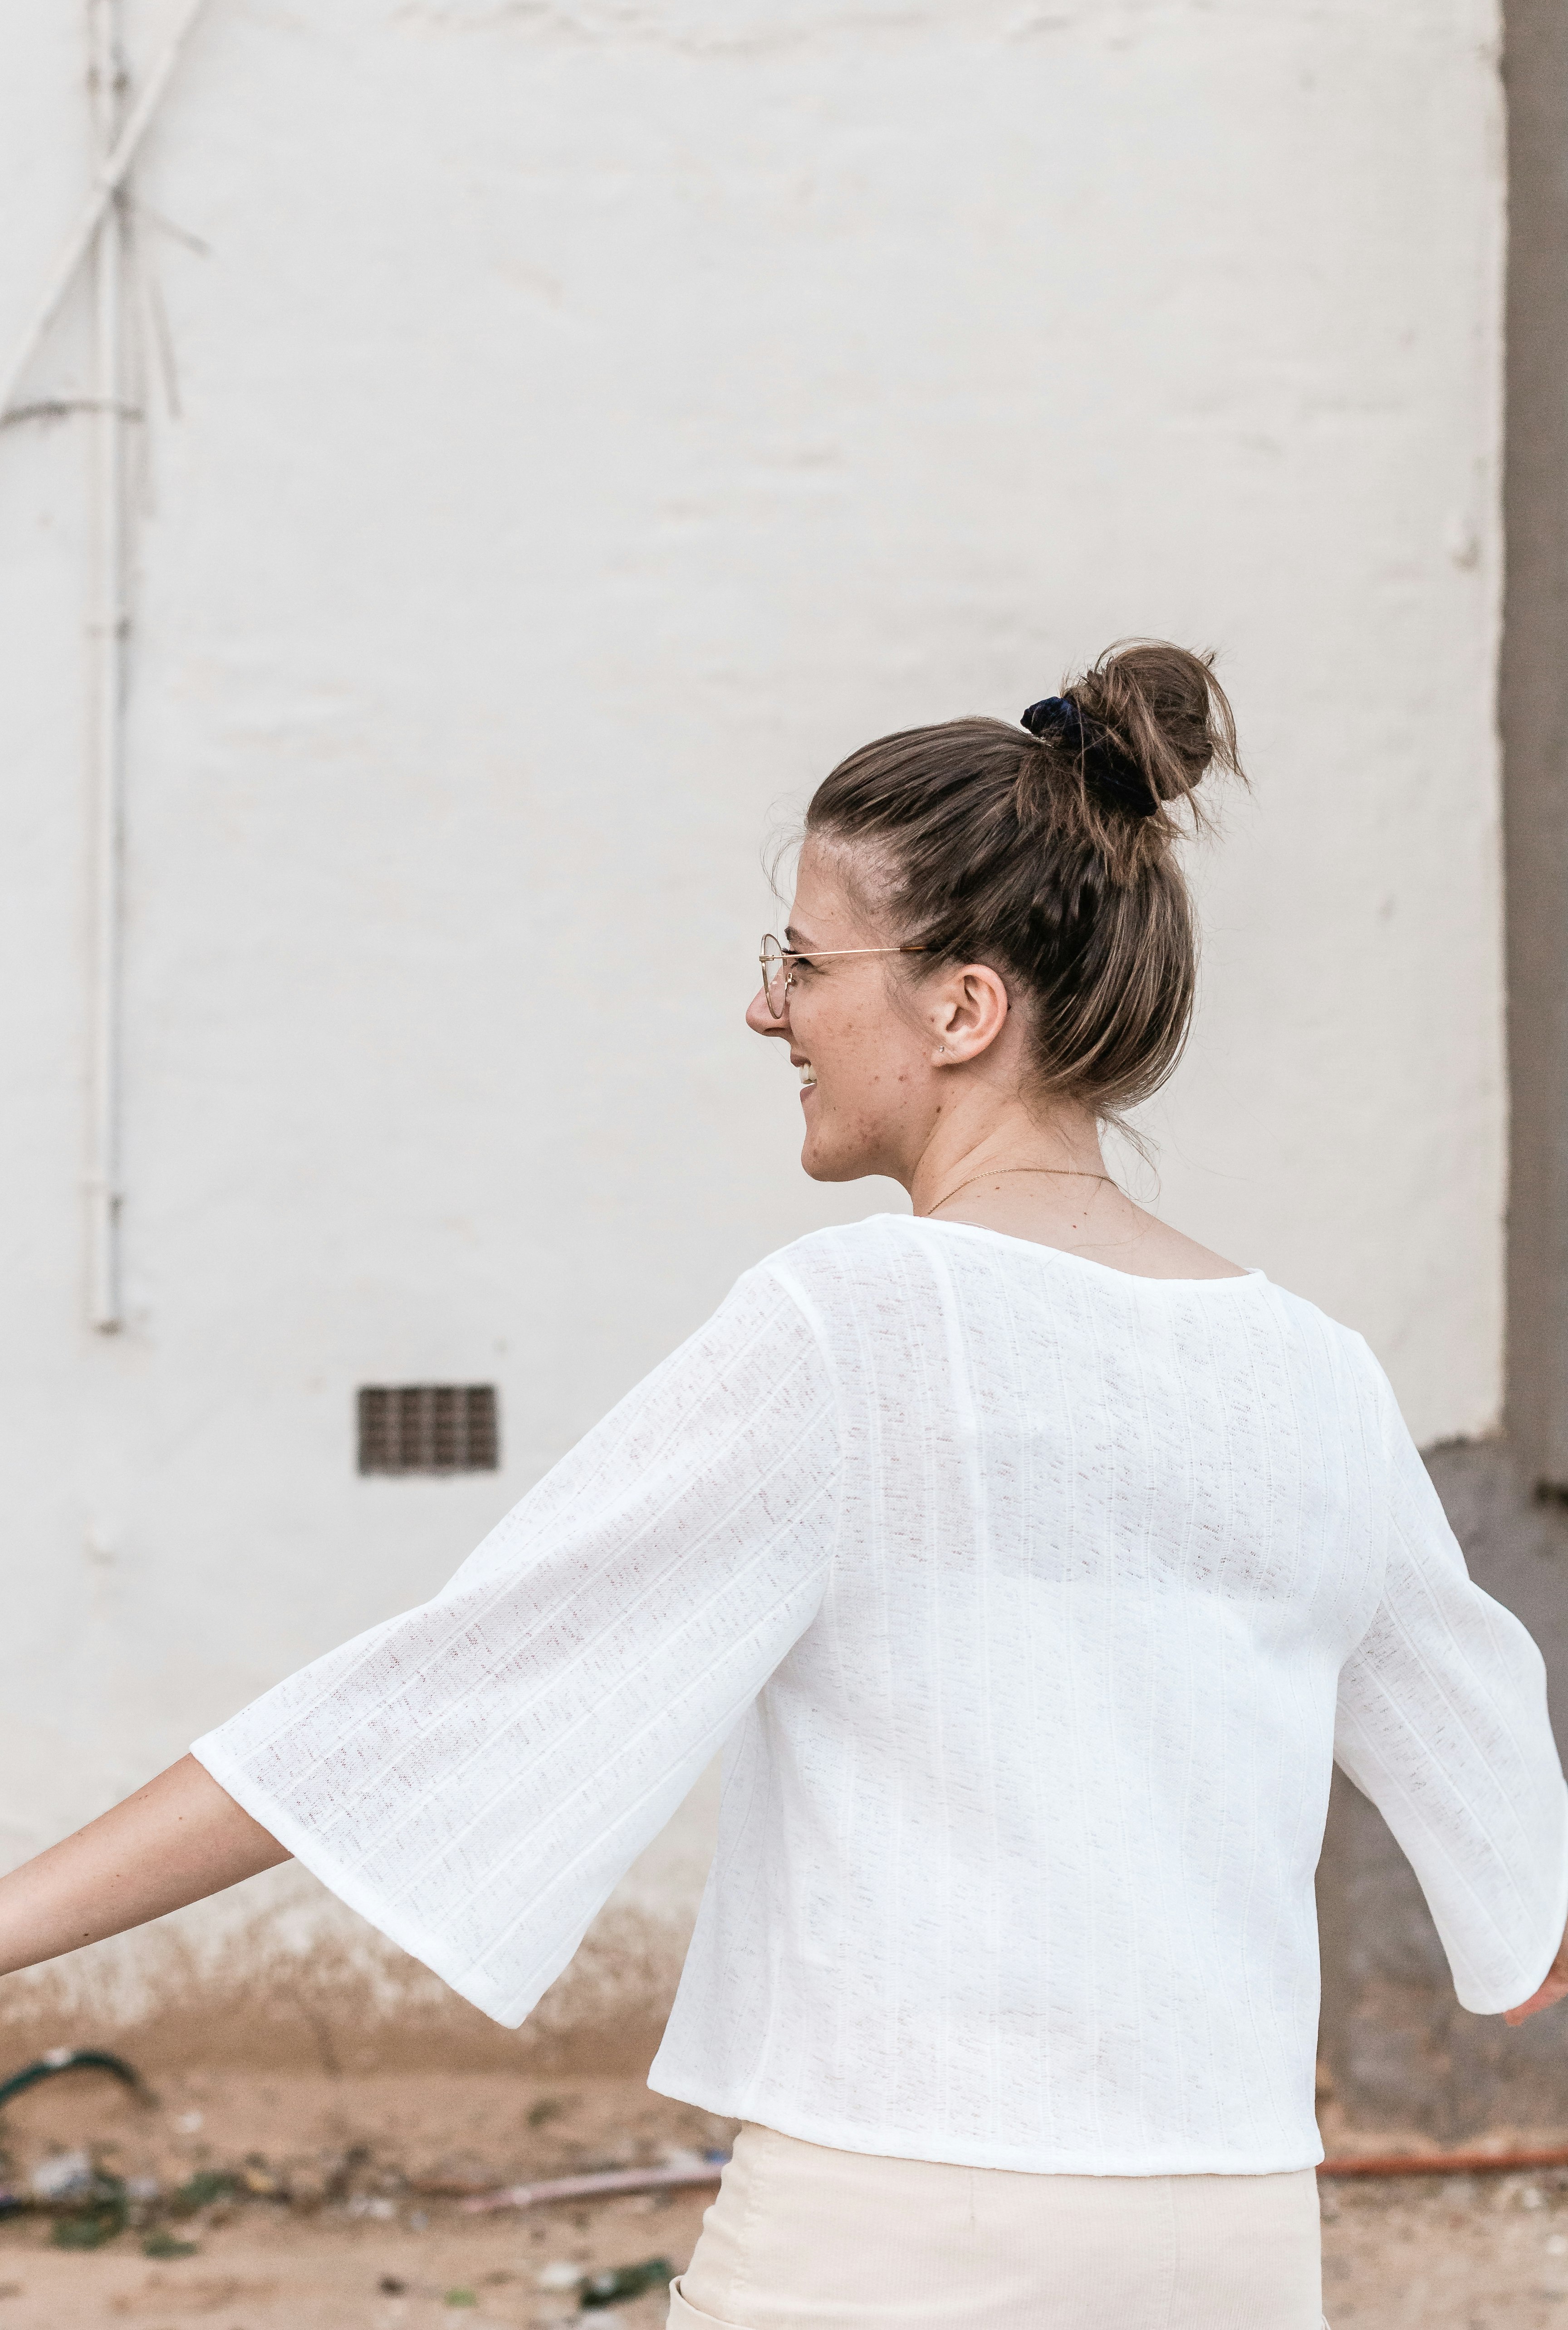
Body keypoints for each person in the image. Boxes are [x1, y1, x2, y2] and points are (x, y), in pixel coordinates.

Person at [2, 641, 1564, 2330]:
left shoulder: (852, 1330)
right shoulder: (1318, 1377)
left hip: (900, 2239)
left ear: (963, 1009)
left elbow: (435, 1698)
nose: (768, 1008)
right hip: (1241, 2242)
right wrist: (1507, 1918)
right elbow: (1514, 1868)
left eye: (802, 963)